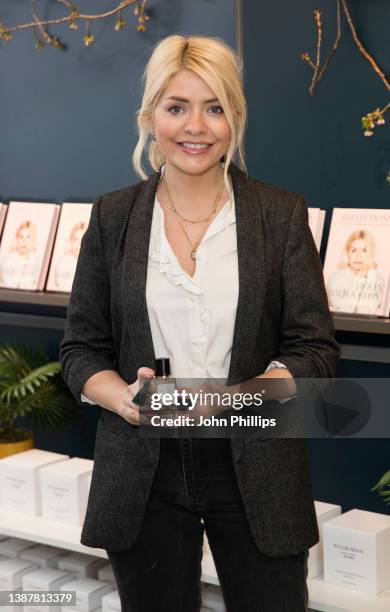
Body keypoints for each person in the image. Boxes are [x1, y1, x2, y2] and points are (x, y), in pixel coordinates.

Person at [59, 35, 340, 612]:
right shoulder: (113, 217)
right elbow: (81, 350)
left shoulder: (279, 214)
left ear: (234, 120)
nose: (196, 126)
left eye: (215, 108)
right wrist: (124, 399)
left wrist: (251, 396)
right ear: (150, 118)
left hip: (257, 461)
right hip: (144, 465)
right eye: (177, 106)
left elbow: (314, 346)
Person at [326, 229, 385, 315]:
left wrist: (370, 274)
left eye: (364, 250)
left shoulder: (377, 279)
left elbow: (366, 312)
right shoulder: (335, 278)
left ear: (370, 253)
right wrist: (360, 276)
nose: (358, 256)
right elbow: (345, 312)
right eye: (354, 250)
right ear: (347, 252)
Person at [0, 220, 40, 289]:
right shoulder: (8, 259)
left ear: (33, 241)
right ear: (17, 239)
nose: (24, 241)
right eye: (21, 237)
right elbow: (9, 285)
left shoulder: (34, 260)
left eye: (28, 237)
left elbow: (32, 283)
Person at [54, 222, 87, 292]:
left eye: (82, 239)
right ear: (71, 241)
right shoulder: (63, 263)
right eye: (75, 239)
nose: (78, 244)